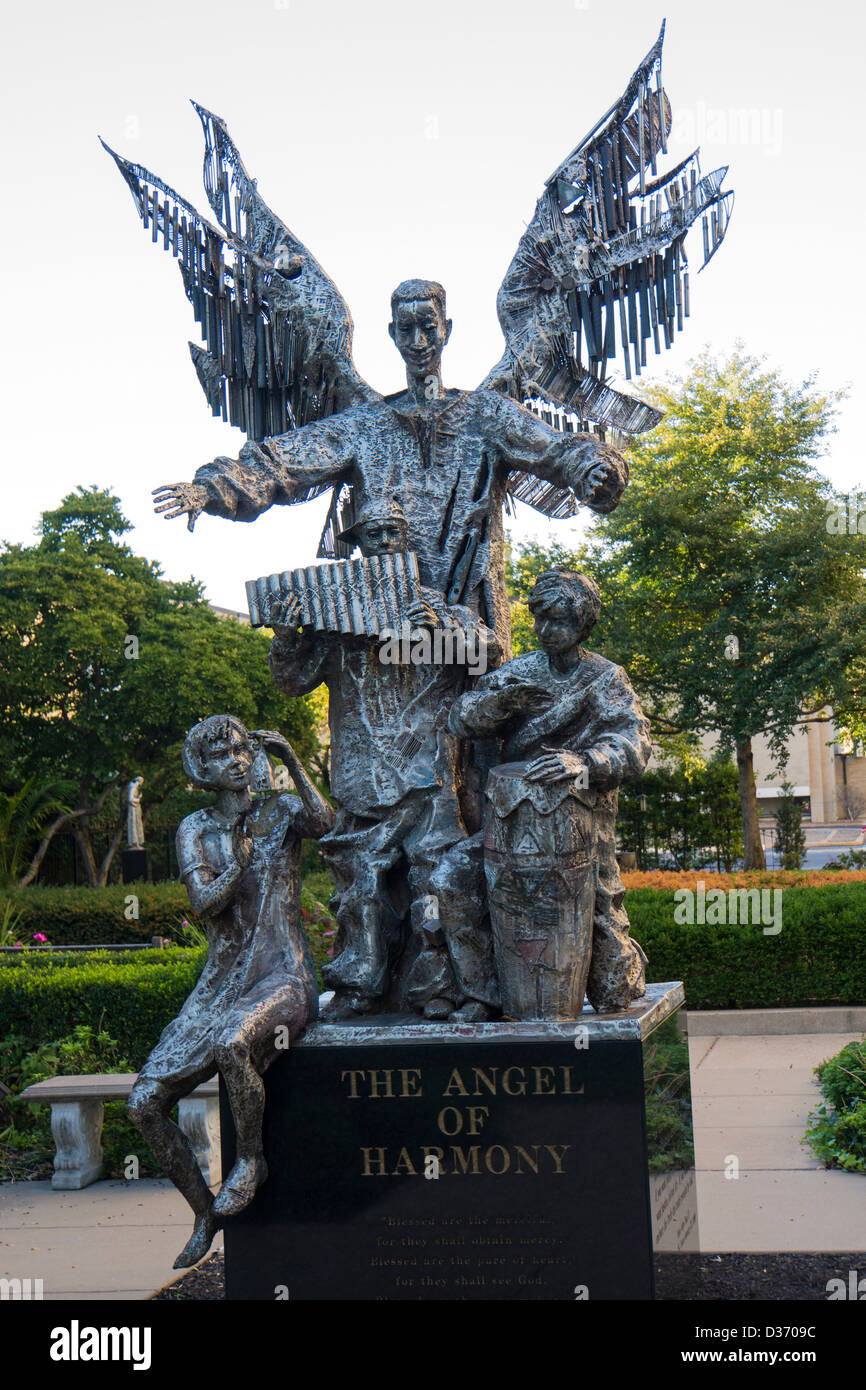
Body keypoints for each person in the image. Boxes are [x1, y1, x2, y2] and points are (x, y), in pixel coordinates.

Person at [267, 498, 501, 1022]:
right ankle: (360, 986)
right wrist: (286, 638)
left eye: (393, 531)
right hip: (359, 780)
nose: (384, 542)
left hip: (427, 778)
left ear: (407, 540)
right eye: (371, 534)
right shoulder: (333, 623)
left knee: (436, 891)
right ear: (358, 546)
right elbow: (292, 682)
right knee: (359, 897)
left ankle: (451, 992)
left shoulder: (443, 610)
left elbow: (490, 657)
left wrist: (444, 632)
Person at [127, 715, 334, 1267]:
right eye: (220, 755)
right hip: (219, 985)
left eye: (241, 749)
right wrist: (237, 862)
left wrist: (292, 762)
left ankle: (251, 1160)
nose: (235, 761)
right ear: (204, 770)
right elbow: (203, 905)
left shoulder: (280, 811)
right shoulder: (195, 829)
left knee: (232, 1045)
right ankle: (203, 1214)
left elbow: (324, 821)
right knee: (143, 1104)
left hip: (281, 975)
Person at [448, 569, 651, 1012]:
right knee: (451, 882)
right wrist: (498, 704)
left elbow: (633, 745)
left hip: (583, 828)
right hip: (509, 825)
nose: (545, 630)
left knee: (604, 941)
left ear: (583, 625)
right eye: (539, 618)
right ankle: (483, 992)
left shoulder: (604, 679)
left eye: (558, 621)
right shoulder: (517, 673)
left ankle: (607, 982)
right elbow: (460, 718)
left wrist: (585, 762)